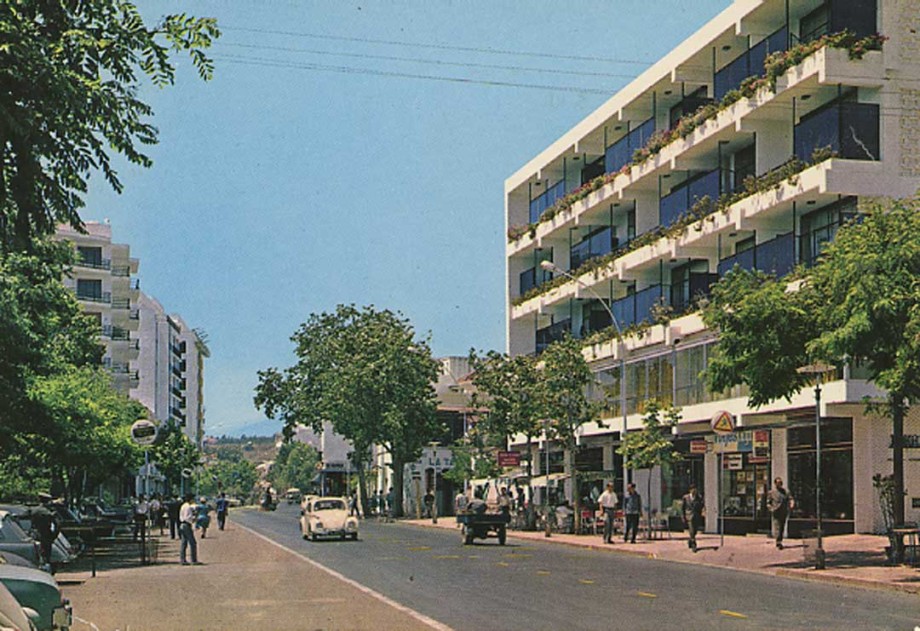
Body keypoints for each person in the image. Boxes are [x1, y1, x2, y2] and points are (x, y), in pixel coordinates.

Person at [28, 493, 59, 571]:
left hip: (34, 534)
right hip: (46, 534)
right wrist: (54, 535)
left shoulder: (34, 510)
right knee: (46, 555)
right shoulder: (48, 512)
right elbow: (57, 525)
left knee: (35, 554)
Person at [766, 477, 794, 550]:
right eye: (778, 483)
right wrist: (771, 509)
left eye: (780, 483)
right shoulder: (771, 492)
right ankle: (778, 542)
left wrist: (791, 503)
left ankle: (779, 540)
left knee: (781, 527)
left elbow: (790, 498)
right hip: (776, 511)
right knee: (777, 526)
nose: (779, 484)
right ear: (775, 484)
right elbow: (768, 502)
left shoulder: (785, 492)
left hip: (783, 511)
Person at [681, 484, 705, 552]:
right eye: (692, 489)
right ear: (690, 490)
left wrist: (702, 512)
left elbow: (701, 506)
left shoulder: (699, 497)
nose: (694, 491)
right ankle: (694, 545)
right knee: (691, 530)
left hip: (696, 516)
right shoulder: (685, 497)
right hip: (689, 516)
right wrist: (683, 516)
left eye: (695, 489)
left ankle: (690, 540)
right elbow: (683, 508)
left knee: (695, 531)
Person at [178, 493, 199, 565]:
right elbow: (187, 517)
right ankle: (193, 560)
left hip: (182, 524)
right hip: (186, 525)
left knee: (184, 543)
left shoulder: (183, 506)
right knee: (193, 543)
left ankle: (182, 559)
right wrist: (194, 518)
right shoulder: (188, 507)